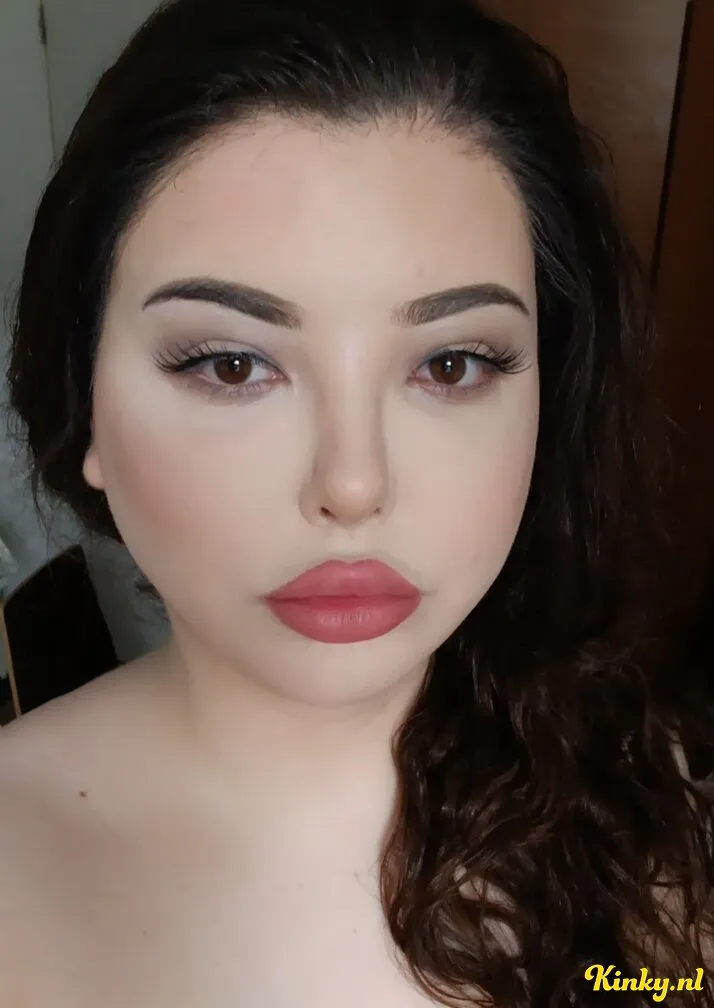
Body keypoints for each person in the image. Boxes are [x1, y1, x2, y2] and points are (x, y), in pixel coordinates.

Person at [2, 0, 713, 1004]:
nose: (352, 483)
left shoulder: (635, 781)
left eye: (452, 364)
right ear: (85, 406)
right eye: (233, 364)